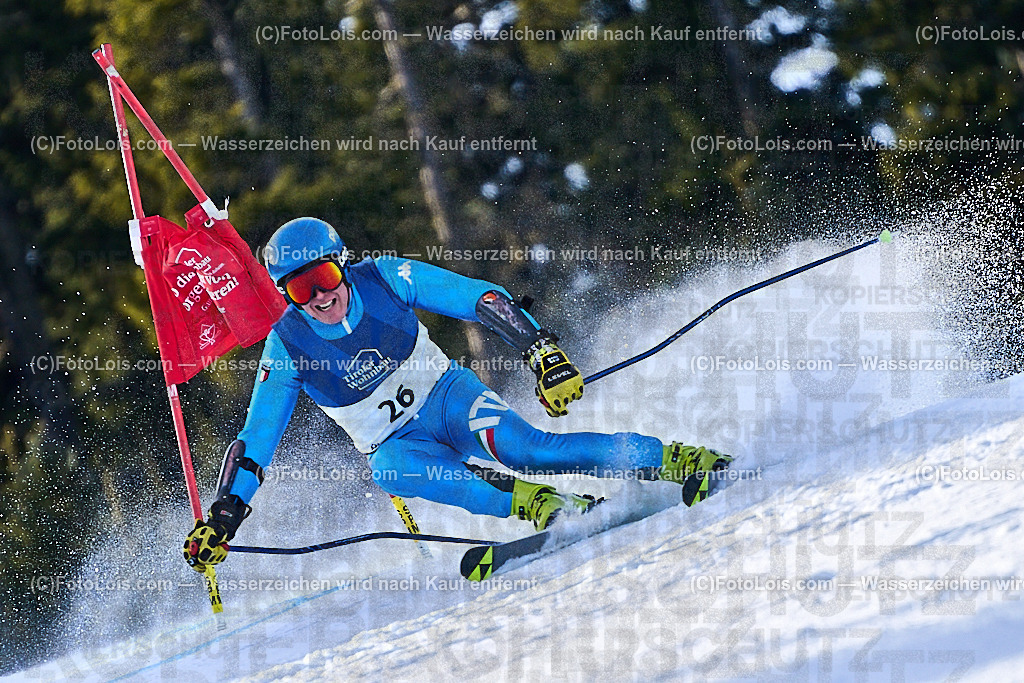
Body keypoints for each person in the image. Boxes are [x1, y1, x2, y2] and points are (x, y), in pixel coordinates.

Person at [183, 218, 731, 571]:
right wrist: (226, 515)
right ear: (286, 294)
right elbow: (255, 442)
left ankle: (678, 459)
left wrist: (540, 349)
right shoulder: (286, 347)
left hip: (448, 399)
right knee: (389, 469)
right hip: (398, 444)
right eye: (302, 288)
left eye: (326, 276)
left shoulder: (385, 278)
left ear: (343, 264)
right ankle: (546, 506)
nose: (322, 296)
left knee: (529, 449)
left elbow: (478, 298)